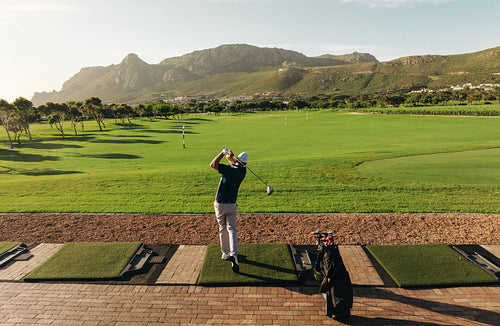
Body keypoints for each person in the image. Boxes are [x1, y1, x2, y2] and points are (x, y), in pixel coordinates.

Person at [210, 148, 248, 273]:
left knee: (222, 228)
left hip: (220, 204)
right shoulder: (243, 171)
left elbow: (213, 165)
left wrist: (222, 153)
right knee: (232, 229)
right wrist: (229, 156)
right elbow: (233, 163)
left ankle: (225, 253)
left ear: (237, 160)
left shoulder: (228, 169)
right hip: (232, 205)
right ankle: (234, 254)